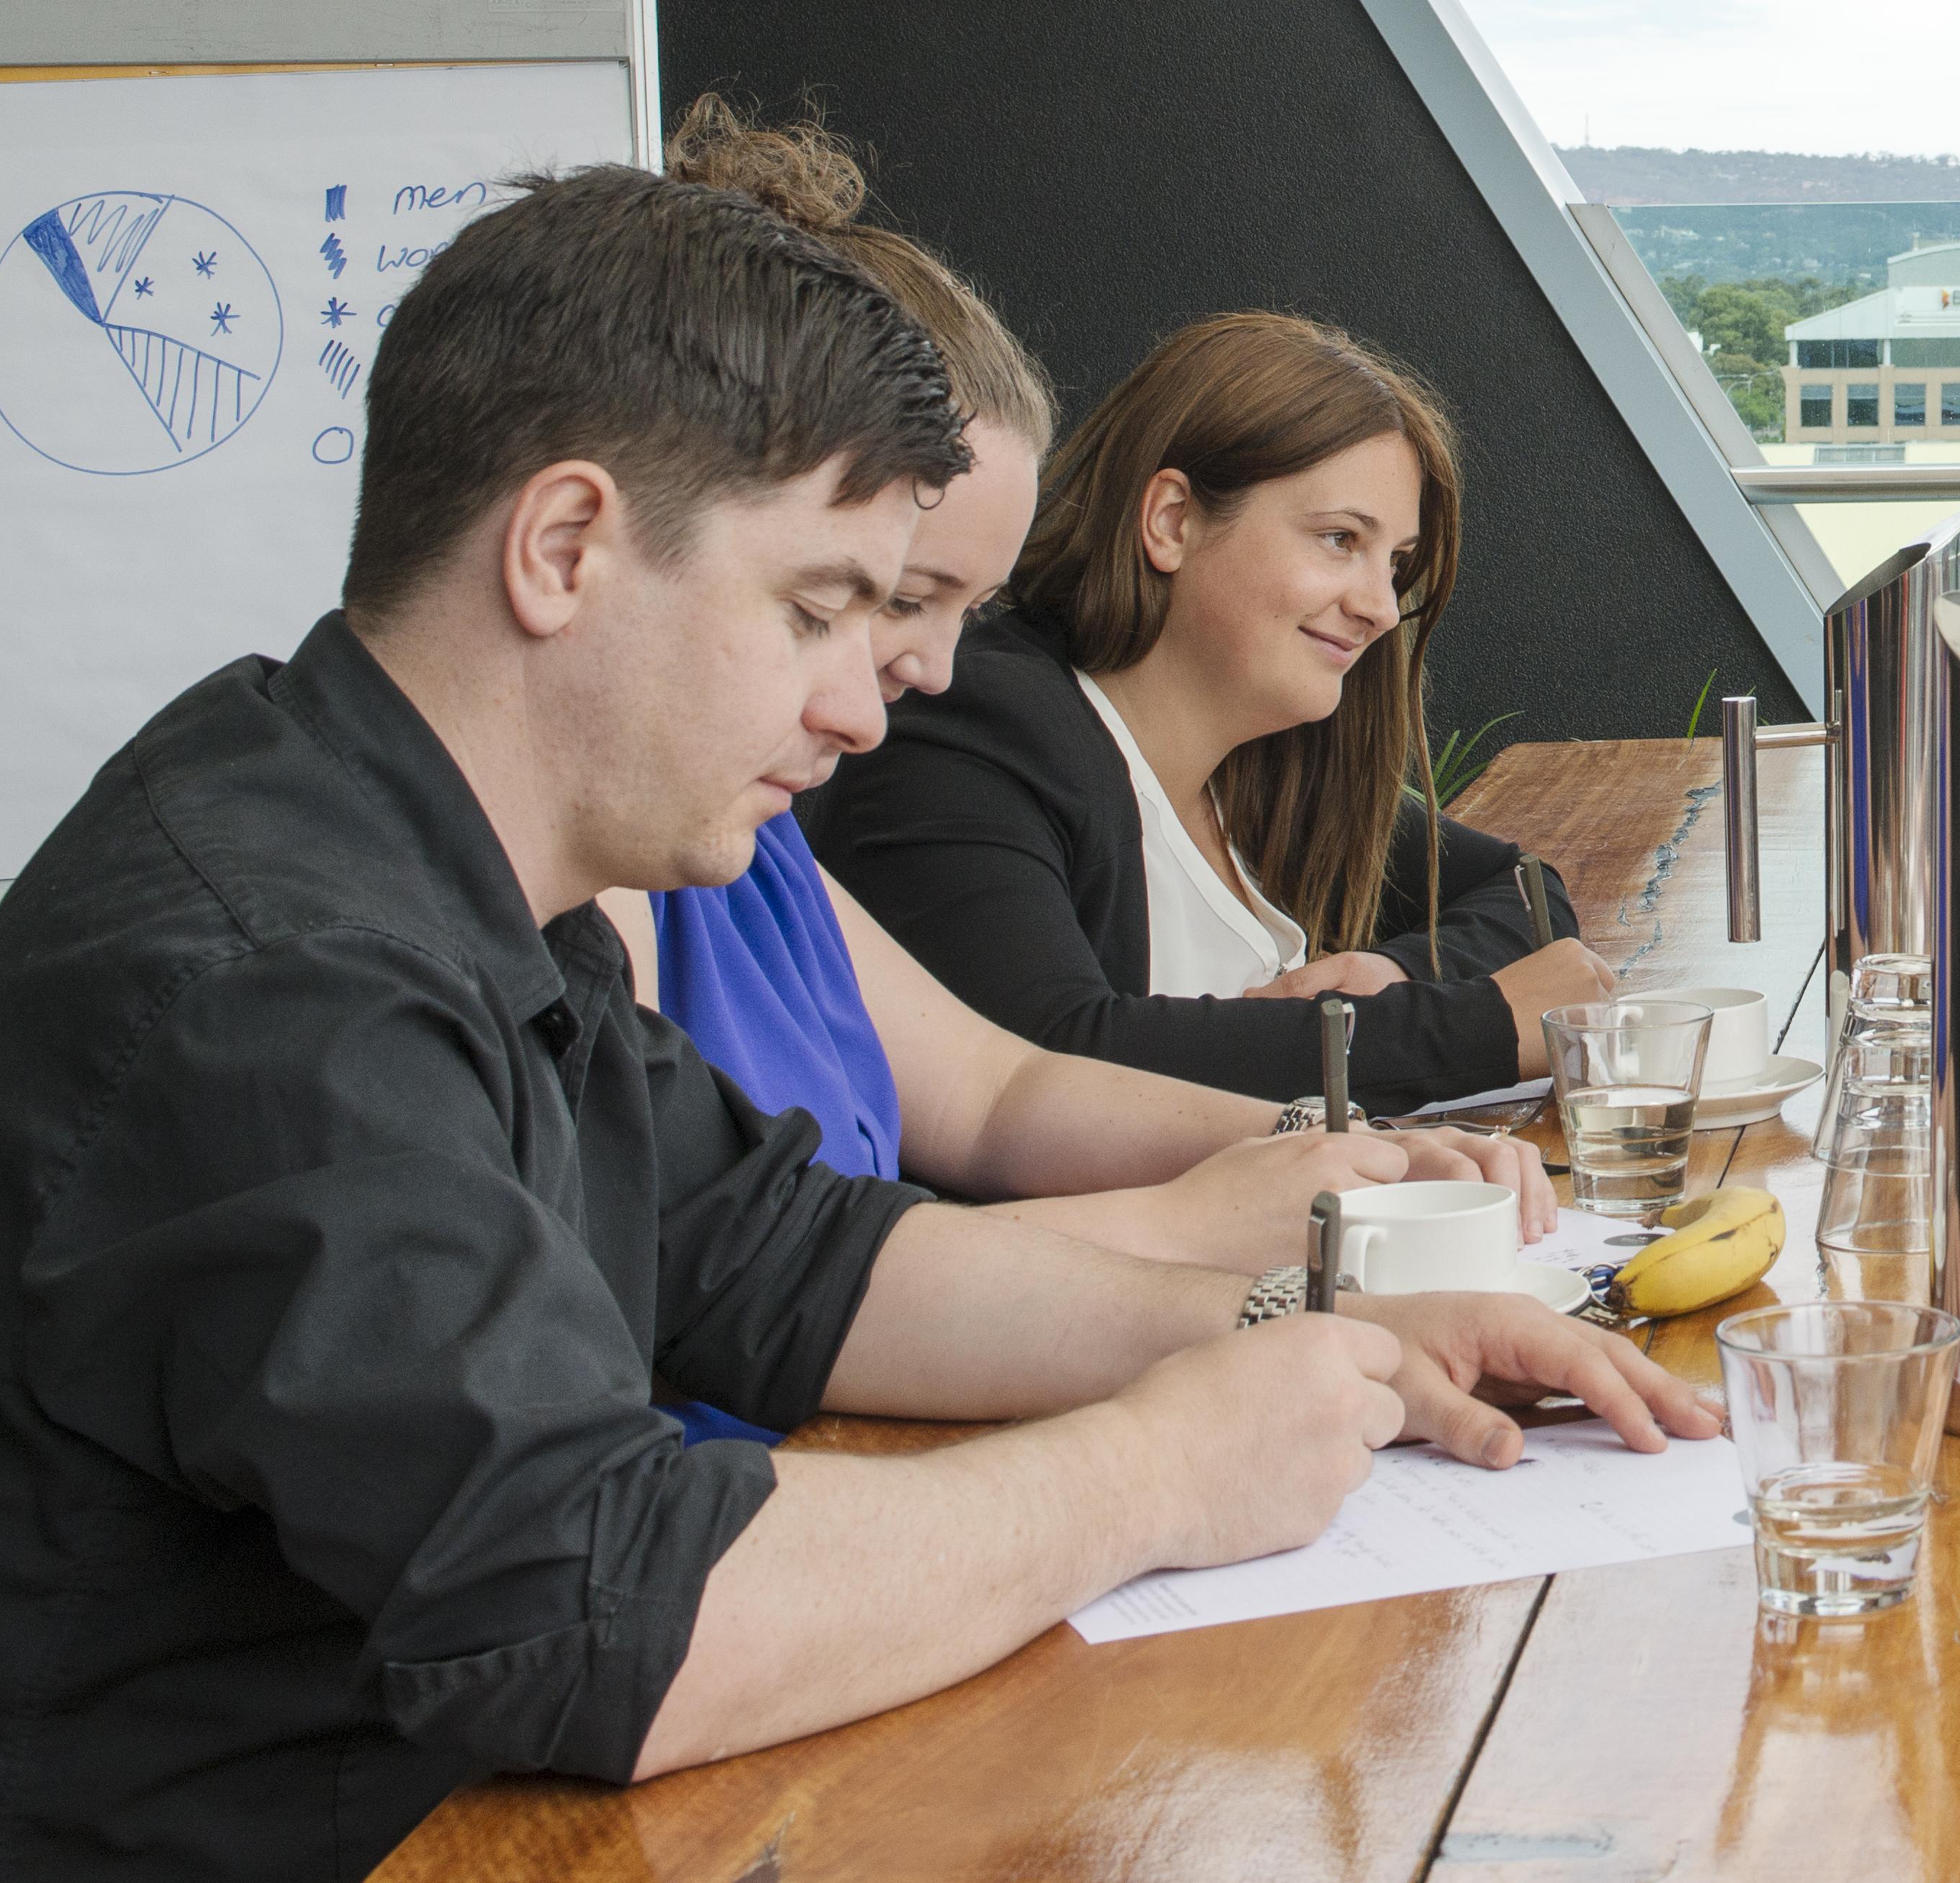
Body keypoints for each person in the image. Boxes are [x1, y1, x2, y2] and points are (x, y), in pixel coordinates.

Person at [0, 170, 1705, 1883]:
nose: (856, 696)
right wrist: (1163, 1467)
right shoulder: (270, 975)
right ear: (561, 545)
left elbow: (791, 1258)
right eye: (813, 606)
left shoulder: (434, 870)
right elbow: (602, 1608)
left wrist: (1319, 1339)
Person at [608, 107, 1548, 1449]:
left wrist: (1316, 1152)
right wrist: (1221, 1253)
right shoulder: (969, 731)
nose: (893, 693)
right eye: (849, 602)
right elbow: (730, 1322)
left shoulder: (738, 844)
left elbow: (994, 1095)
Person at [810, 308, 1611, 1112]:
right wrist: (1478, 1024)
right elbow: (1049, 1058)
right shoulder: (978, 728)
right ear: (1171, 522)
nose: (1377, 606)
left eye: (1394, 561)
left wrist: (1397, 976)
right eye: (1339, 539)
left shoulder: (1260, 758)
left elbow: (1522, 890)